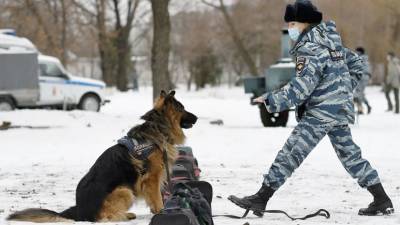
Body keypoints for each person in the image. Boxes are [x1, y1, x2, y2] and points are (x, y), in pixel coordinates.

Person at [229, 0, 394, 217]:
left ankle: (261, 198)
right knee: (349, 154)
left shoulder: (309, 48)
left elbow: (301, 88)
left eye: (293, 23)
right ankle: (381, 198)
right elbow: (358, 64)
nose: (290, 28)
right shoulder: (331, 43)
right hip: (337, 109)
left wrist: (271, 100)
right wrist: (342, 91)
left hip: (321, 112)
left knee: (292, 150)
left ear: (305, 24)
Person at [353, 47, 372, 114]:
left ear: (359, 52)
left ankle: (360, 110)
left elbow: (357, 69)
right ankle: (364, 107)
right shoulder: (365, 59)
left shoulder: (360, 59)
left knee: (358, 94)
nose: (355, 53)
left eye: (356, 51)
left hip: (361, 77)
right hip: (364, 77)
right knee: (360, 93)